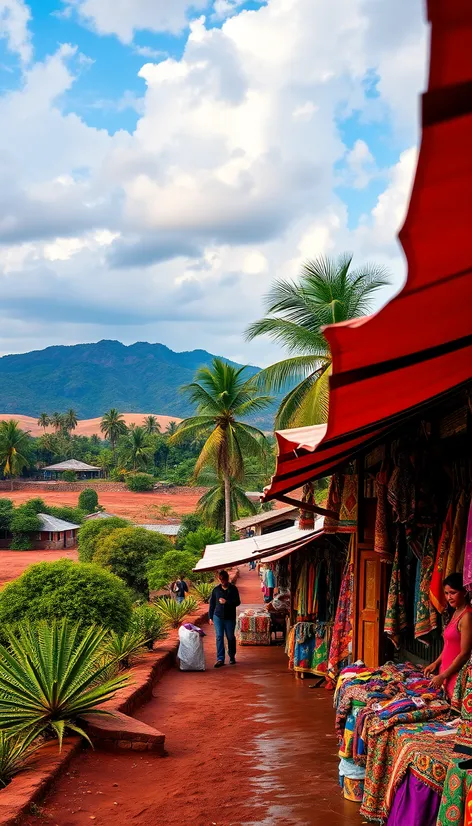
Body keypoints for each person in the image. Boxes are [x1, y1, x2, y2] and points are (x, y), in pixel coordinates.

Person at [424, 572, 472, 698]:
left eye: (453, 592)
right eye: (446, 593)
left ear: (464, 592)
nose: (449, 597)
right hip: (445, 673)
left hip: (456, 676)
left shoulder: (467, 616)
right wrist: (436, 663)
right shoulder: (455, 612)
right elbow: (448, 645)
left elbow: (464, 654)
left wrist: (444, 675)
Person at [209, 570, 241, 668]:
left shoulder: (233, 589)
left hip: (229, 617)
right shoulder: (216, 590)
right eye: (221, 580)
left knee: (230, 637)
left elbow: (237, 602)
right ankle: (220, 658)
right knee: (219, 637)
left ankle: (232, 656)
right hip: (218, 616)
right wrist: (210, 617)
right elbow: (212, 604)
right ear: (219, 579)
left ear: (227, 578)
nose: (223, 581)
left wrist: (226, 602)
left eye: (224, 579)